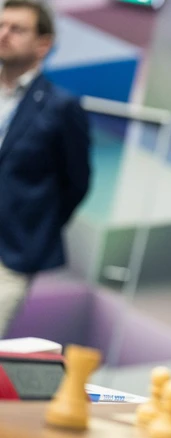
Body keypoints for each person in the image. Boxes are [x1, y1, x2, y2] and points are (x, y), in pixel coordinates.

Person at [0, 0, 91, 338]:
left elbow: (76, 183)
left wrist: (31, 226)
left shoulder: (60, 107)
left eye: (17, 29)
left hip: (9, 255)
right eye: (1, 25)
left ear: (43, 44)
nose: (4, 34)